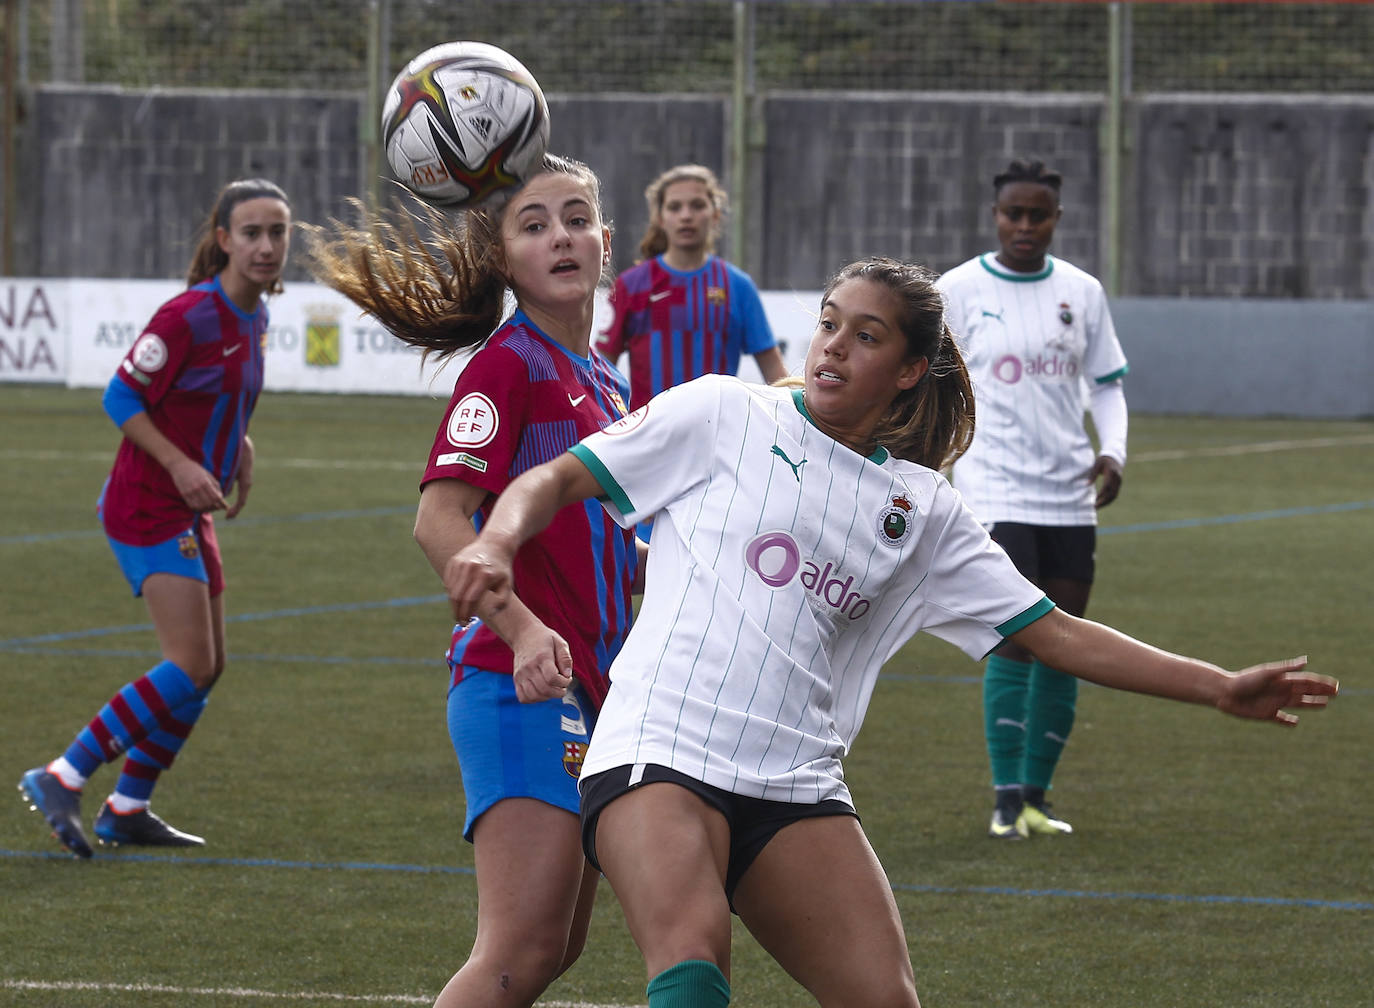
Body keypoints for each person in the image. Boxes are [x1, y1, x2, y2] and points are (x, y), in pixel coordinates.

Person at [440, 256, 1336, 1008]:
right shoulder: (723, 413)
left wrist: (1218, 686)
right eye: (830, 323)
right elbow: (554, 479)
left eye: (866, 336)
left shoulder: (924, 509)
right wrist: (499, 537)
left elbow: (1053, 633)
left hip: (794, 780)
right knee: (691, 955)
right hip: (657, 747)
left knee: (886, 997)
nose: (833, 345)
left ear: (909, 370)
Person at [304, 154, 642, 1008]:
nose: (560, 236)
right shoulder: (507, 367)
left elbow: (605, 542)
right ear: (503, 260)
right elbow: (440, 521)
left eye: (575, 218)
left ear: (607, 240)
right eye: (534, 225)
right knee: (517, 952)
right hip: (515, 682)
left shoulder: (604, 380)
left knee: (553, 947)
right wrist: (525, 630)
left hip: (593, 687)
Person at [18, 178, 292, 858]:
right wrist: (180, 464)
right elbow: (121, 397)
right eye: (251, 233)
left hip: (186, 508)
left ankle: (128, 806)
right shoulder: (187, 315)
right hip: (147, 504)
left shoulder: (255, 315)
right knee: (189, 661)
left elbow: (216, 394)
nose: (266, 246)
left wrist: (239, 447)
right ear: (223, 239)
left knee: (210, 664)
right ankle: (63, 775)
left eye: (278, 232)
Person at [938, 158, 1130, 840]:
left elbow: (1106, 384)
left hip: (1068, 490)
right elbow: (928, 381)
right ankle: (1005, 799)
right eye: (1013, 213)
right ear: (995, 216)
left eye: (1037, 214)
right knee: (1017, 637)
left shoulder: (1082, 291)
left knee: (1068, 643)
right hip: (995, 487)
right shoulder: (956, 290)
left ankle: (1038, 800)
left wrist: (1113, 450)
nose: (1024, 225)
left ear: (1055, 218)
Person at [597, 163, 788, 412]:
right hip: (648, 440)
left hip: (719, 440)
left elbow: (776, 375)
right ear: (660, 218)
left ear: (715, 214)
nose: (686, 215)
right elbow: (600, 371)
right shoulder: (630, 286)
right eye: (675, 207)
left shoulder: (738, 286)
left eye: (697, 205)